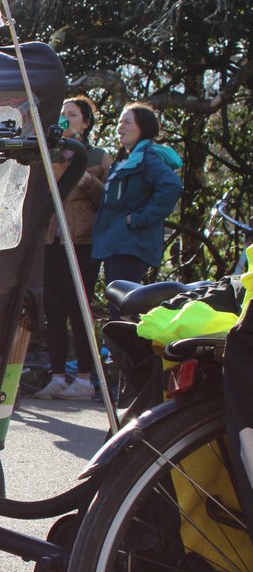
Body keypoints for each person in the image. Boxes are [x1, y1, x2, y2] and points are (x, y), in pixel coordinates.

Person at [33, 96, 113, 400]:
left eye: (72, 114)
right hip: (52, 238)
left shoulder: (97, 156)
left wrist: (86, 178)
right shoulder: (48, 153)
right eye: (62, 114)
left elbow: (107, 199)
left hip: (81, 240)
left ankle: (84, 377)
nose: (65, 119)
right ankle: (56, 375)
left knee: (78, 307)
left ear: (86, 122)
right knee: (52, 308)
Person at [93, 102, 185, 318]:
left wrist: (138, 218)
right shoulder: (128, 159)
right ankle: (117, 350)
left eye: (127, 122)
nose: (120, 127)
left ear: (143, 127)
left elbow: (171, 186)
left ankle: (120, 351)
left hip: (131, 246)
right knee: (118, 305)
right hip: (117, 244)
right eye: (119, 122)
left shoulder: (148, 159)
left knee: (123, 307)